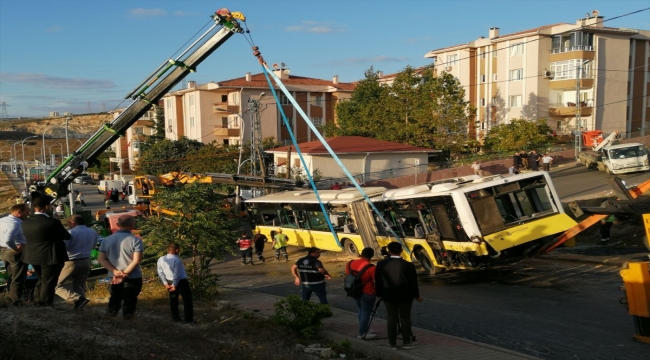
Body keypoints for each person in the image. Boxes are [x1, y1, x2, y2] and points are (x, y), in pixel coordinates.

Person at [22, 195, 71, 307]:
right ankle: (45, 305)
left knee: (41, 280)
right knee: (49, 282)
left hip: (32, 256)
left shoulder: (25, 222)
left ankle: (37, 301)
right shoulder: (52, 222)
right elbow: (66, 236)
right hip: (50, 256)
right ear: (47, 206)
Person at [375, 242, 423, 350]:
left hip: (388, 295)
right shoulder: (408, 265)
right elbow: (413, 283)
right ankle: (407, 342)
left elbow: (378, 281)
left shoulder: (381, 264)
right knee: (405, 318)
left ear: (388, 251)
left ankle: (392, 343)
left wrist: (378, 294)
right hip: (405, 296)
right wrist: (417, 296)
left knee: (391, 318)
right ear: (401, 250)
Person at [98, 215, 143, 319]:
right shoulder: (136, 240)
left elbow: (101, 259)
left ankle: (110, 320)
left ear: (117, 225)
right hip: (133, 276)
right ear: (132, 225)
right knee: (130, 300)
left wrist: (115, 272)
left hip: (114, 276)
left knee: (114, 298)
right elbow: (137, 260)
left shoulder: (106, 240)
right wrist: (124, 273)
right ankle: (128, 321)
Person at [55, 214, 98, 310]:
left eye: (68, 224)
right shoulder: (93, 232)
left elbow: (64, 247)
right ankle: (79, 308)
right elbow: (94, 245)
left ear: (72, 222)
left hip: (71, 261)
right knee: (80, 285)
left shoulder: (71, 232)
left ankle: (76, 299)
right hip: (86, 260)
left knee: (56, 285)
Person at [0, 203, 30, 305]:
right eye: (27, 211)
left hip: (4, 251)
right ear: (19, 212)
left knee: (11, 276)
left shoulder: (2, 220)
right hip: (15, 252)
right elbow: (9, 239)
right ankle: (15, 301)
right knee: (18, 278)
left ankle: (8, 297)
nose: (28, 214)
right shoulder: (15, 223)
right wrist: (15, 248)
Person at [157, 243, 193, 323]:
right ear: (177, 250)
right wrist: (175, 285)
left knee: (173, 299)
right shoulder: (177, 260)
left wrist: (165, 283)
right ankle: (188, 319)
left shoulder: (161, 259)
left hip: (168, 281)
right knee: (187, 300)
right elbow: (176, 274)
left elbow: (160, 272)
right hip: (180, 282)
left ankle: (175, 317)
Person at [345, 247, 377, 340]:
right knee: (366, 312)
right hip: (368, 292)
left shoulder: (350, 263)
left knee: (360, 310)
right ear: (372, 255)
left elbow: (348, 275)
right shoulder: (371, 267)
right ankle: (362, 333)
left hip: (354, 291)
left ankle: (365, 328)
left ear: (361, 254)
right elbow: (376, 281)